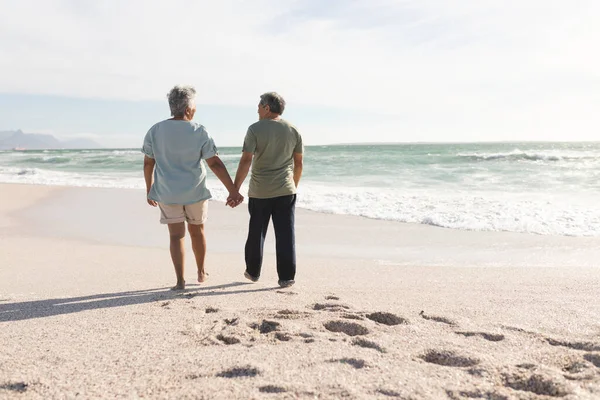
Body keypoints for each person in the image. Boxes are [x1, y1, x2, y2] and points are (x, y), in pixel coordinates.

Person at [142, 85, 243, 291]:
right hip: (195, 192)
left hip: (167, 192)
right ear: (188, 109)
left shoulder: (155, 130)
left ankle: (180, 281)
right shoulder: (198, 130)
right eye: (194, 105)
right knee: (197, 231)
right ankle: (201, 271)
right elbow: (214, 163)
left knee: (175, 235)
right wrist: (232, 190)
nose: (195, 109)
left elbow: (148, 163)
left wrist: (149, 189)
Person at [232, 92, 303, 288]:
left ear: (266, 108)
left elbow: (246, 160)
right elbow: (299, 163)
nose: (257, 109)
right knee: (286, 234)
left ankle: (253, 272)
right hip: (285, 190)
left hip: (260, 191)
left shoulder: (255, 129)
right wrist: (293, 186)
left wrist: (235, 188)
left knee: (256, 232)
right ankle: (286, 277)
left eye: (259, 105)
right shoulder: (293, 129)